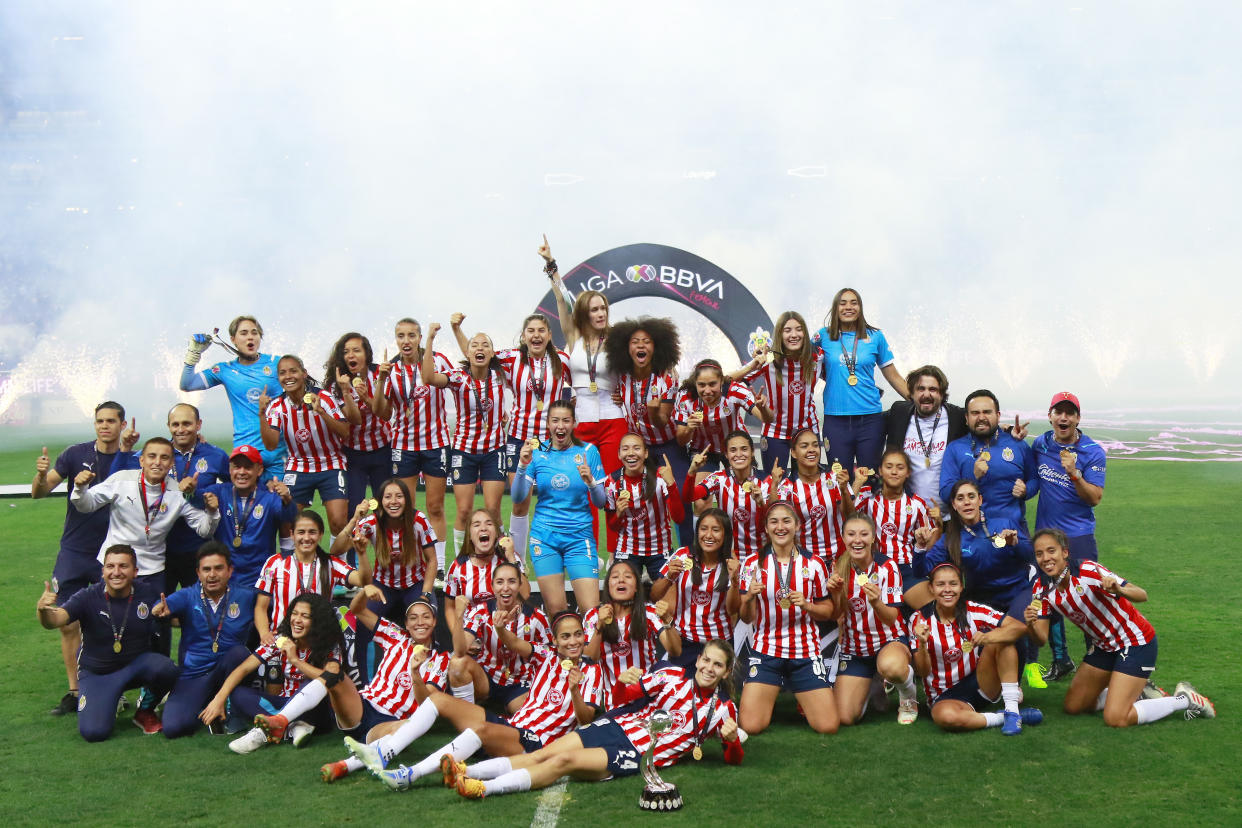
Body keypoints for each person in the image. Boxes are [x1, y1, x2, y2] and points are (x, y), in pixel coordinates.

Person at [440, 641, 743, 800]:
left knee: (563, 762)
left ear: (726, 673)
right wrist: (625, 682)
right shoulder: (671, 675)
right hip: (617, 726)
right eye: (706, 659)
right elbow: (625, 698)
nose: (708, 668)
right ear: (699, 659)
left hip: (635, 753)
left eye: (718, 665)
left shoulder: (723, 709)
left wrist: (731, 742)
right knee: (544, 752)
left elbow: (734, 758)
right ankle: (465, 770)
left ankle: (482, 788)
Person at [347, 610, 604, 789]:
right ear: (555, 641)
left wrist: (574, 690)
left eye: (578, 634)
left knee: (479, 730)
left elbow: (585, 720)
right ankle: (384, 753)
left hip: (536, 741)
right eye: (566, 636)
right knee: (438, 700)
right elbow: (515, 642)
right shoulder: (545, 655)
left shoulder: (593, 672)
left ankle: (410, 775)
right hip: (512, 724)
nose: (573, 641)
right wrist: (501, 626)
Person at [1026, 528, 1215, 727]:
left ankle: (1185, 699)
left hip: (1135, 641)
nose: (1046, 558)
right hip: (1104, 647)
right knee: (1074, 706)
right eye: (1039, 554)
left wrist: (1119, 590)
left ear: (1064, 552)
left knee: (1116, 718)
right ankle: (1137, 691)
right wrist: (1031, 624)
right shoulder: (1041, 589)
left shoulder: (1088, 571)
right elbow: (1041, 639)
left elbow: (1142, 594)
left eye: (1051, 551)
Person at [31, 400, 126, 715]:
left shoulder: (131, 460)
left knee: (111, 622)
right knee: (68, 623)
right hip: (74, 550)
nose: (104, 426)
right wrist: (40, 476)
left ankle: (112, 688)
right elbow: (40, 493)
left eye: (111, 421)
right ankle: (74, 692)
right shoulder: (75, 454)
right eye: (100, 420)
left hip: (112, 554)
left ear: (122, 425)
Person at [455, 311, 572, 561]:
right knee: (520, 504)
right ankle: (516, 561)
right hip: (519, 440)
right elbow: (477, 354)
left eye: (541, 330)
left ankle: (561, 555)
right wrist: (457, 330)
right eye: (531, 331)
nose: (536, 335)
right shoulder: (511, 359)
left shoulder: (563, 360)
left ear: (550, 335)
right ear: (524, 335)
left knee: (557, 500)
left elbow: (579, 387)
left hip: (553, 441)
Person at [36, 545, 180, 741]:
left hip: (136, 668)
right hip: (98, 674)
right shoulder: (87, 597)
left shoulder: (146, 592)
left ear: (135, 572)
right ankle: (105, 701)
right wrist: (43, 611)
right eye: (110, 566)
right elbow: (56, 620)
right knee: (94, 733)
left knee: (167, 669)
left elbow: (167, 615)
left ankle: (145, 711)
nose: (116, 572)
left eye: (123, 566)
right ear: (102, 571)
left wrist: (169, 615)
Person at [542, 235, 627, 551]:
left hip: (614, 421)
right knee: (586, 488)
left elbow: (637, 373)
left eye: (603, 307)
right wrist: (552, 269)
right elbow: (562, 301)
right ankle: (587, 548)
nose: (600, 312)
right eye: (594, 308)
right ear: (586, 314)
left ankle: (618, 551)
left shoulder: (618, 339)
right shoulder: (574, 336)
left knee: (614, 489)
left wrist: (624, 396)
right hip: (583, 423)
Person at [919, 479, 1042, 688]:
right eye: (960, 498)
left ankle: (1014, 686)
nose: (966, 502)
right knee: (983, 639)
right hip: (982, 596)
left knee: (1014, 629)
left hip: (1017, 590)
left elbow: (1031, 555)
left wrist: (1015, 544)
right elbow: (924, 569)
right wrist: (921, 548)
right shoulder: (952, 537)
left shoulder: (1005, 521)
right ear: (954, 505)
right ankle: (983, 685)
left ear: (980, 500)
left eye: (971, 497)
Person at [319, 586, 451, 782]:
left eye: (426, 617)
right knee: (333, 675)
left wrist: (415, 673)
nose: (420, 622)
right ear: (406, 624)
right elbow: (357, 610)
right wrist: (364, 590)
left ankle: (346, 765)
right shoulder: (395, 635)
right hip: (361, 707)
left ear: (435, 622)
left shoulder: (441, 659)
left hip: (387, 724)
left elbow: (427, 704)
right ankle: (282, 718)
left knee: (407, 727)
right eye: (413, 618)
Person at [202, 593, 362, 752]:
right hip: (285, 702)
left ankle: (268, 730)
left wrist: (295, 660)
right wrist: (219, 698)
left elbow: (331, 677)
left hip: (316, 712)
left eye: (305, 616)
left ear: (318, 622)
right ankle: (291, 728)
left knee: (311, 682)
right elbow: (244, 668)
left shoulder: (330, 645)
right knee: (238, 694)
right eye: (294, 613)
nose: (297, 620)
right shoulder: (281, 639)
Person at [738, 501, 838, 735]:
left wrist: (807, 605)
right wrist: (749, 597)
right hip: (767, 650)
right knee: (751, 726)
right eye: (774, 521)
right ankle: (766, 697)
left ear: (797, 526)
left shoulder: (814, 563)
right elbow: (745, 617)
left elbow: (828, 610)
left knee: (828, 726)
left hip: (805, 650)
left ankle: (804, 698)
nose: (780, 527)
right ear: (765, 528)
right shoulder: (752, 564)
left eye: (786, 521)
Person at [910, 562, 1043, 734]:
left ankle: (1011, 710)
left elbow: (1018, 628)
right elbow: (922, 671)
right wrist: (922, 644)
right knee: (946, 718)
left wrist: (988, 637)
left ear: (962, 586)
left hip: (980, 682)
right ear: (931, 588)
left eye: (953, 584)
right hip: (945, 697)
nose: (947, 590)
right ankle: (1006, 717)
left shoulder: (973, 609)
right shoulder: (919, 620)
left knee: (1003, 638)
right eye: (941, 584)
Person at [1031, 391, 1108, 681]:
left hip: (1078, 536)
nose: (1063, 418)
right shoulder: (1041, 443)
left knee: (1088, 596)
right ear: (1050, 416)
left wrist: (1075, 474)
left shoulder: (1092, 452)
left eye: (1069, 413)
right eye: (1058, 412)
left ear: (1078, 418)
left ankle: (1096, 659)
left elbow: (1095, 498)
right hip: (1046, 537)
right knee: (1049, 598)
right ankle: (1061, 659)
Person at [114, 403, 229, 594]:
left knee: (197, 612)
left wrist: (202, 494)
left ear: (198, 425)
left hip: (198, 549)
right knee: (158, 610)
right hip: (160, 550)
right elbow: (115, 480)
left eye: (187, 424)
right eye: (175, 424)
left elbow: (234, 487)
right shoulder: (158, 454)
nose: (181, 429)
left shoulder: (216, 455)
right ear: (168, 426)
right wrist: (125, 447)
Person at [330, 479, 436, 680]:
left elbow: (432, 561)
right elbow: (336, 550)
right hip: (382, 585)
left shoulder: (419, 520)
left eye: (399, 496)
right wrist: (355, 519)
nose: (393, 501)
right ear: (380, 501)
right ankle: (363, 682)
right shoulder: (371, 522)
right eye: (388, 497)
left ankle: (428, 679)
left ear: (407, 500)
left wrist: (426, 594)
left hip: (415, 584)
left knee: (426, 621)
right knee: (362, 626)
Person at [510, 400, 608, 614]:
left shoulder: (588, 452)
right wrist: (521, 465)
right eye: (555, 420)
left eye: (566, 420)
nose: (560, 426)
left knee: (591, 611)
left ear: (574, 423)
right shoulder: (536, 453)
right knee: (557, 611)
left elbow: (601, 502)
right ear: (548, 424)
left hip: (579, 539)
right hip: (545, 538)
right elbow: (517, 497)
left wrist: (591, 482)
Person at [153, 542, 257, 738]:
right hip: (195, 674)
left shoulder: (246, 596)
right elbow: (162, 605)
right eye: (206, 569)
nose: (212, 575)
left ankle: (229, 704)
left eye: (218, 568)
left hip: (230, 669)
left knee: (239, 653)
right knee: (174, 728)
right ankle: (206, 700)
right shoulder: (187, 595)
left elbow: (270, 613)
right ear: (198, 573)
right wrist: (159, 611)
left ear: (230, 570)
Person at [421, 321, 508, 554]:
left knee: (493, 511)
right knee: (463, 512)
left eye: (485, 345)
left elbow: (477, 351)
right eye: (474, 346)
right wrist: (429, 339)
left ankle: (497, 557)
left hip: (494, 451)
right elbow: (428, 377)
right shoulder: (459, 377)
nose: (480, 348)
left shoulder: (501, 374)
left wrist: (458, 330)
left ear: (492, 352)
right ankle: (462, 560)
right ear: (467, 353)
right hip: (464, 451)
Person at [373, 317, 452, 573]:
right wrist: (381, 381)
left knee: (435, 506)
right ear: (396, 339)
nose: (406, 341)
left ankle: (439, 564)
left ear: (419, 338)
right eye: (401, 336)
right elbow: (382, 414)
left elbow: (457, 384)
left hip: (435, 443)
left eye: (411, 335)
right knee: (404, 508)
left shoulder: (437, 359)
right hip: (403, 446)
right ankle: (411, 562)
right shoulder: (390, 369)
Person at [604, 316, 691, 545]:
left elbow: (662, 421)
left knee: (680, 497)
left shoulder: (667, 379)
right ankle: (644, 553)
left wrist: (653, 412)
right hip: (640, 450)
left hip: (668, 447)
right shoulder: (622, 377)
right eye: (635, 341)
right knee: (639, 501)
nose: (641, 346)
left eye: (647, 341)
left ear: (657, 347)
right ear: (626, 348)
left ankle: (688, 555)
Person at [828, 514, 919, 726]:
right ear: (843, 538)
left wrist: (877, 602)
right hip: (855, 649)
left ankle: (908, 697)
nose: (857, 540)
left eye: (863, 534)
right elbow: (836, 615)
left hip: (888, 640)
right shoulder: (838, 567)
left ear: (873, 539)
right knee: (845, 718)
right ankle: (873, 684)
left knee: (892, 667)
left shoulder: (888, 567)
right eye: (851, 534)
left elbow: (891, 619)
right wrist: (835, 594)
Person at [260, 354, 359, 536]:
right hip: (298, 465)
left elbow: (345, 432)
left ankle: (340, 564)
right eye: (282, 373)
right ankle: (292, 564)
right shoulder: (277, 406)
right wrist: (261, 414)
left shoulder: (324, 397)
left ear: (304, 373)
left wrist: (320, 411)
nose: (288, 376)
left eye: (293, 371)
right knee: (287, 523)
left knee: (338, 522)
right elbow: (271, 445)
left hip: (331, 462)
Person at [813, 288, 908, 472]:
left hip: (870, 421)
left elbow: (892, 375)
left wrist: (917, 401)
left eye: (853, 302)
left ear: (860, 307)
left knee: (870, 480)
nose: (848, 307)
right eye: (843, 303)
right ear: (835, 308)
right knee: (840, 481)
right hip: (835, 420)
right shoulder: (821, 336)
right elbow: (801, 362)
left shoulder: (875, 336)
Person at [180, 315, 286, 479]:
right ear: (233, 339)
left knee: (282, 504)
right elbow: (187, 384)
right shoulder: (224, 370)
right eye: (244, 333)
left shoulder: (277, 363)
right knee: (246, 504)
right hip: (246, 453)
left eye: (255, 333)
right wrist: (193, 354)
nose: (250, 337)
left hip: (278, 453)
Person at [254, 510, 367, 647]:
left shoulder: (331, 564)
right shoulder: (275, 563)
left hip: (319, 643)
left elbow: (363, 580)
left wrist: (361, 554)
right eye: (301, 532)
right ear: (292, 535)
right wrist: (264, 633)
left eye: (312, 532)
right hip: (282, 641)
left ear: (320, 535)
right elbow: (261, 607)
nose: (306, 538)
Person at [729, 310, 822, 471]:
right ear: (780, 334)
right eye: (787, 330)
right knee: (774, 484)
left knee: (807, 485)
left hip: (807, 430)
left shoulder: (817, 357)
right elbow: (728, 381)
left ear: (805, 333)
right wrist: (752, 365)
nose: (794, 335)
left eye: (798, 329)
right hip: (775, 432)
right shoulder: (769, 358)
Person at [452, 561, 550, 712]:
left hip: (520, 683)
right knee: (457, 664)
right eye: (499, 582)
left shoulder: (537, 618)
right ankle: (467, 716)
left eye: (512, 581)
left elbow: (550, 656)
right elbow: (459, 651)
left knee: (525, 720)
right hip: (487, 678)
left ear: (519, 585)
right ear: (492, 586)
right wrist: (459, 616)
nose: (505, 587)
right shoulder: (481, 612)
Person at [649, 508, 741, 668]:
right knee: (681, 691)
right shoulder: (682, 555)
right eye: (703, 529)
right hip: (684, 641)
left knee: (714, 693)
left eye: (716, 530)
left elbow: (733, 609)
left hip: (719, 644)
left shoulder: (732, 564)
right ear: (697, 532)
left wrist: (734, 581)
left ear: (725, 535)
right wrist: (669, 577)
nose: (709, 535)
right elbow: (654, 595)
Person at [583, 559, 680, 705]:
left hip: (649, 697)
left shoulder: (649, 612)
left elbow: (675, 651)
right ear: (608, 585)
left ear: (636, 587)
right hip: (614, 702)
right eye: (615, 577)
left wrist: (667, 620)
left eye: (628, 576)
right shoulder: (594, 616)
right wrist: (600, 627)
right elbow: (590, 659)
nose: (621, 579)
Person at [938, 390, 1037, 534]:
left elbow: (1034, 479)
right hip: (971, 535)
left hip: (1013, 533)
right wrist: (973, 478)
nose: (981, 417)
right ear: (966, 418)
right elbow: (945, 493)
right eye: (975, 413)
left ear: (998, 415)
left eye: (987, 412)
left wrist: (1026, 491)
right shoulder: (955, 448)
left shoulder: (1018, 444)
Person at [200, 445, 298, 587]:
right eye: (237, 467)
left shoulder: (269, 497)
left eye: (248, 467)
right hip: (225, 578)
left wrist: (287, 500)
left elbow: (290, 517)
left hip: (259, 578)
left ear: (259, 470)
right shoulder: (220, 492)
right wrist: (189, 490)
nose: (241, 472)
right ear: (229, 470)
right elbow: (195, 498)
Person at [323, 332, 392, 517]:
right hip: (353, 454)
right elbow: (355, 420)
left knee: (384, 507)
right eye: (346, 352)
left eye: (356, 350)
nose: (351, 355)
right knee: (354, 508)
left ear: (367, 354)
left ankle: (385, 546)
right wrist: (346, 391)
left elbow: (385, 414)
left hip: (382, 449)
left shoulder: (380, 374)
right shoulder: (335, 385)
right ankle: (353, 546)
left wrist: (366, 398)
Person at [852, 448, 937, 594]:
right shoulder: (867, 498)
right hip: (873, 565)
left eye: (900, 467)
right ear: (880, 470)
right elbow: (845, 516)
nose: (894, 472)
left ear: (908, 472)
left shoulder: (917, 504)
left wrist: (938, 526)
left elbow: (930, 541)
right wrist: (857, 484)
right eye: (889, 466)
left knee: (929, 606)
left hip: (905, 567)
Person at [675, 359, 772, 486]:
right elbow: (681, 441)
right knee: (701, 499)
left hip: (735, 446)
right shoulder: (685, 397)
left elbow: (767, 419)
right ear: (695, 383)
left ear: (721, 381)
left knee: (745, 491)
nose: (707, 390)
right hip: (703, 450)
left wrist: (763, 408)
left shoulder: (735, 390)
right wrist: (689, 428)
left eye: (712, 384)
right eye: (702, 385)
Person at [883, 365, 967, 508]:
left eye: (933, 389)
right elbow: (868, 425)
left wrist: (1008, 430)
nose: (926, 394)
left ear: (942, 394)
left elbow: (982, 423)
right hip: (908, 514)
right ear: (912, 393)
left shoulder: (956, 417)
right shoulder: (899, 413)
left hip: (948, 515)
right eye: (921, 389)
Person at [605, 433, 685, 582]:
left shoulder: (660, 478)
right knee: (623, 594)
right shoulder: (611, 482)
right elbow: (612, 526)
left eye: (636, 448)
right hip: (627, 550)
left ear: (646, 453)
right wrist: (619, 513)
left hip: (660, 551)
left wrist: (672, 484)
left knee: (667, 597)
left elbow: (679, 518)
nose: (630, 453)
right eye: (625, 449)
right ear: (619, 454)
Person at [773, 428, 855, 567]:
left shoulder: (834, 476)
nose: (812, 450)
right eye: (804, 446)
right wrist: (774, 485)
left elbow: (851, 516)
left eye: (815, 445)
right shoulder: (788, 485)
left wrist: (844, 490)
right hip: (806, 561)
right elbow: (775, 521)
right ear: (793, 453)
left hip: (840, 557)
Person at [684, 430, 770, 560]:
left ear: (752, 452)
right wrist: (692, 472)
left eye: (744, 449)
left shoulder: (767, 481)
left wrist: (761, 504)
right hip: (727, 556)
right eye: (733, 450)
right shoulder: (719, 479)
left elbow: (773, 523)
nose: (739, 454)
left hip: (761, 556)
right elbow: (689, 497)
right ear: (726, 454)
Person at [444, 509, 529, 633]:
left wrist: (511, 558)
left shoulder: (509, 558)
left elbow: (525, 594)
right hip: (472, 637)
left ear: (496, 534)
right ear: (470, 535)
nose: (483, 528)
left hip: (508, 634)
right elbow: (449, 608)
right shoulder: (457, 567)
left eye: (489, 524)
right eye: (477, 525)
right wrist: (460, 638)